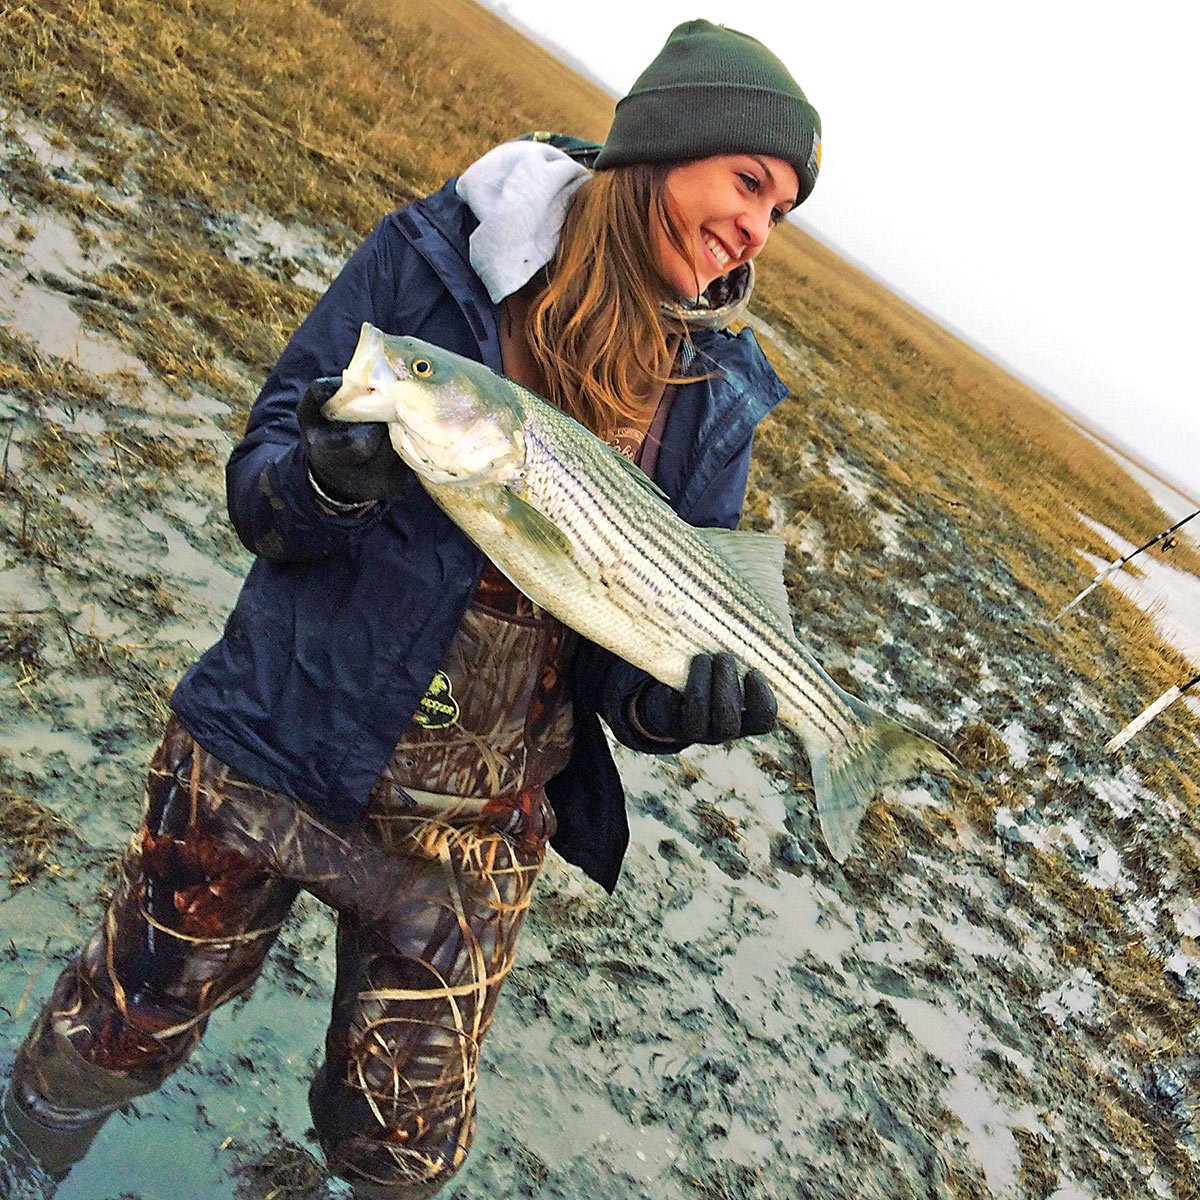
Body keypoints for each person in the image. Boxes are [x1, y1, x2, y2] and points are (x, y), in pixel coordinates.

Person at [1, 18, 820, 1199]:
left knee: (400, 1156)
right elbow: (260, 483)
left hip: (471, 832)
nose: (758, 225)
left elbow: (624, 671)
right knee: (117, 1026)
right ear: (663, 146)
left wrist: (674, 707)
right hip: (273, 746)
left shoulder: (713, 402)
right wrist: (322, 482)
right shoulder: (434, 261)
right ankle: (31, 1159)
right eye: (749, 180)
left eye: (782, 213)